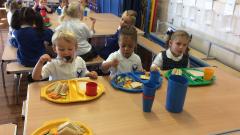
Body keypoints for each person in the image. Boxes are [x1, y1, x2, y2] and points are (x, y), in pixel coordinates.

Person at [32, 30, 98, 81]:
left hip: (74, 92)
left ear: (76, 48)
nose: (66, 53)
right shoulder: (52, 64)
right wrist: (40, 62)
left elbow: (83, 73)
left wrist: (89, 74)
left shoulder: (79, 61)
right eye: (61, 49)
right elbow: (36, 77)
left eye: (70, 49)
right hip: (57, 95)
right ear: (54, 49)